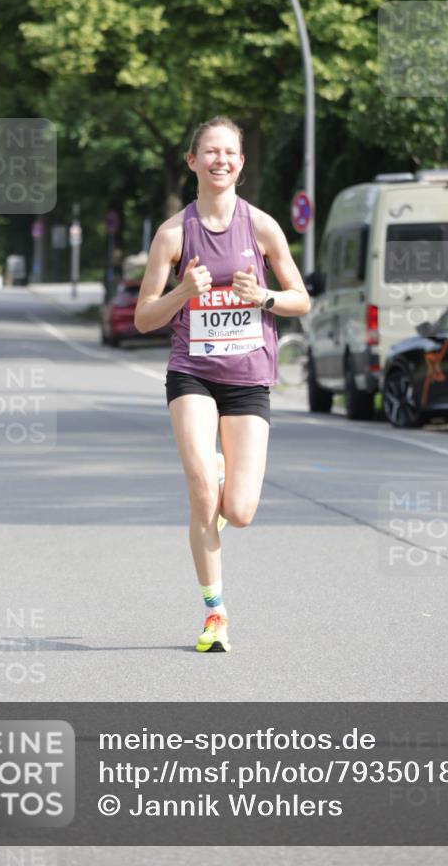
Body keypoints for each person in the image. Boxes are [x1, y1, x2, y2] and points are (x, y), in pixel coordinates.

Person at [135, 116, 310, 652]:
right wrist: (184, 290)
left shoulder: (262, 227)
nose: (221, 160)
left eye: (230, 152)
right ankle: (215, 613)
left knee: (239, 510)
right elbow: (145, 317)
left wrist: (264, 298)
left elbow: (301, 299)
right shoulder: (172, 234)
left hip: (250, 377)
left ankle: (219, 473)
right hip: (192, 371)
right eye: (210, 152)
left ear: (241, 162)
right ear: (192, 162)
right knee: (200, 490)